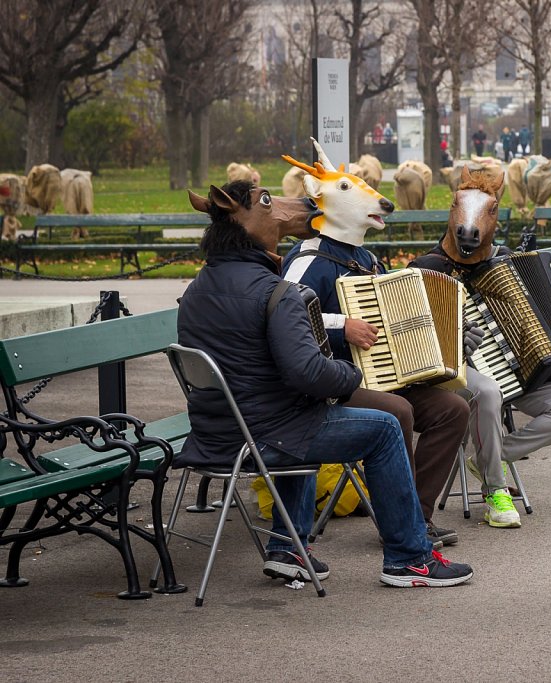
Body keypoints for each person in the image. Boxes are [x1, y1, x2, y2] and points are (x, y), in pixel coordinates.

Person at [178, 180, 473, 587]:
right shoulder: (274, 292)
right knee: (383, 427)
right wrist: (352, 375)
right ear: (242, 220)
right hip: (268, 437)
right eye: (267, 202)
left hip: (216, 435)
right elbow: (308, 373)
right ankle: (409, 557)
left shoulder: (197, 289)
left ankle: (288, 547)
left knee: (307, 412)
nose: (287, 206)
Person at [408, 171, 551, 529]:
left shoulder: (508, 262)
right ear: (453, 214)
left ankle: (489, 457)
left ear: (495, 218)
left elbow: (537, 318)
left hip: (515, 368)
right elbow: (414, 339)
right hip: (455, 373)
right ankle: (495, 491)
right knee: (487, 391)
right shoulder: (426, 269)